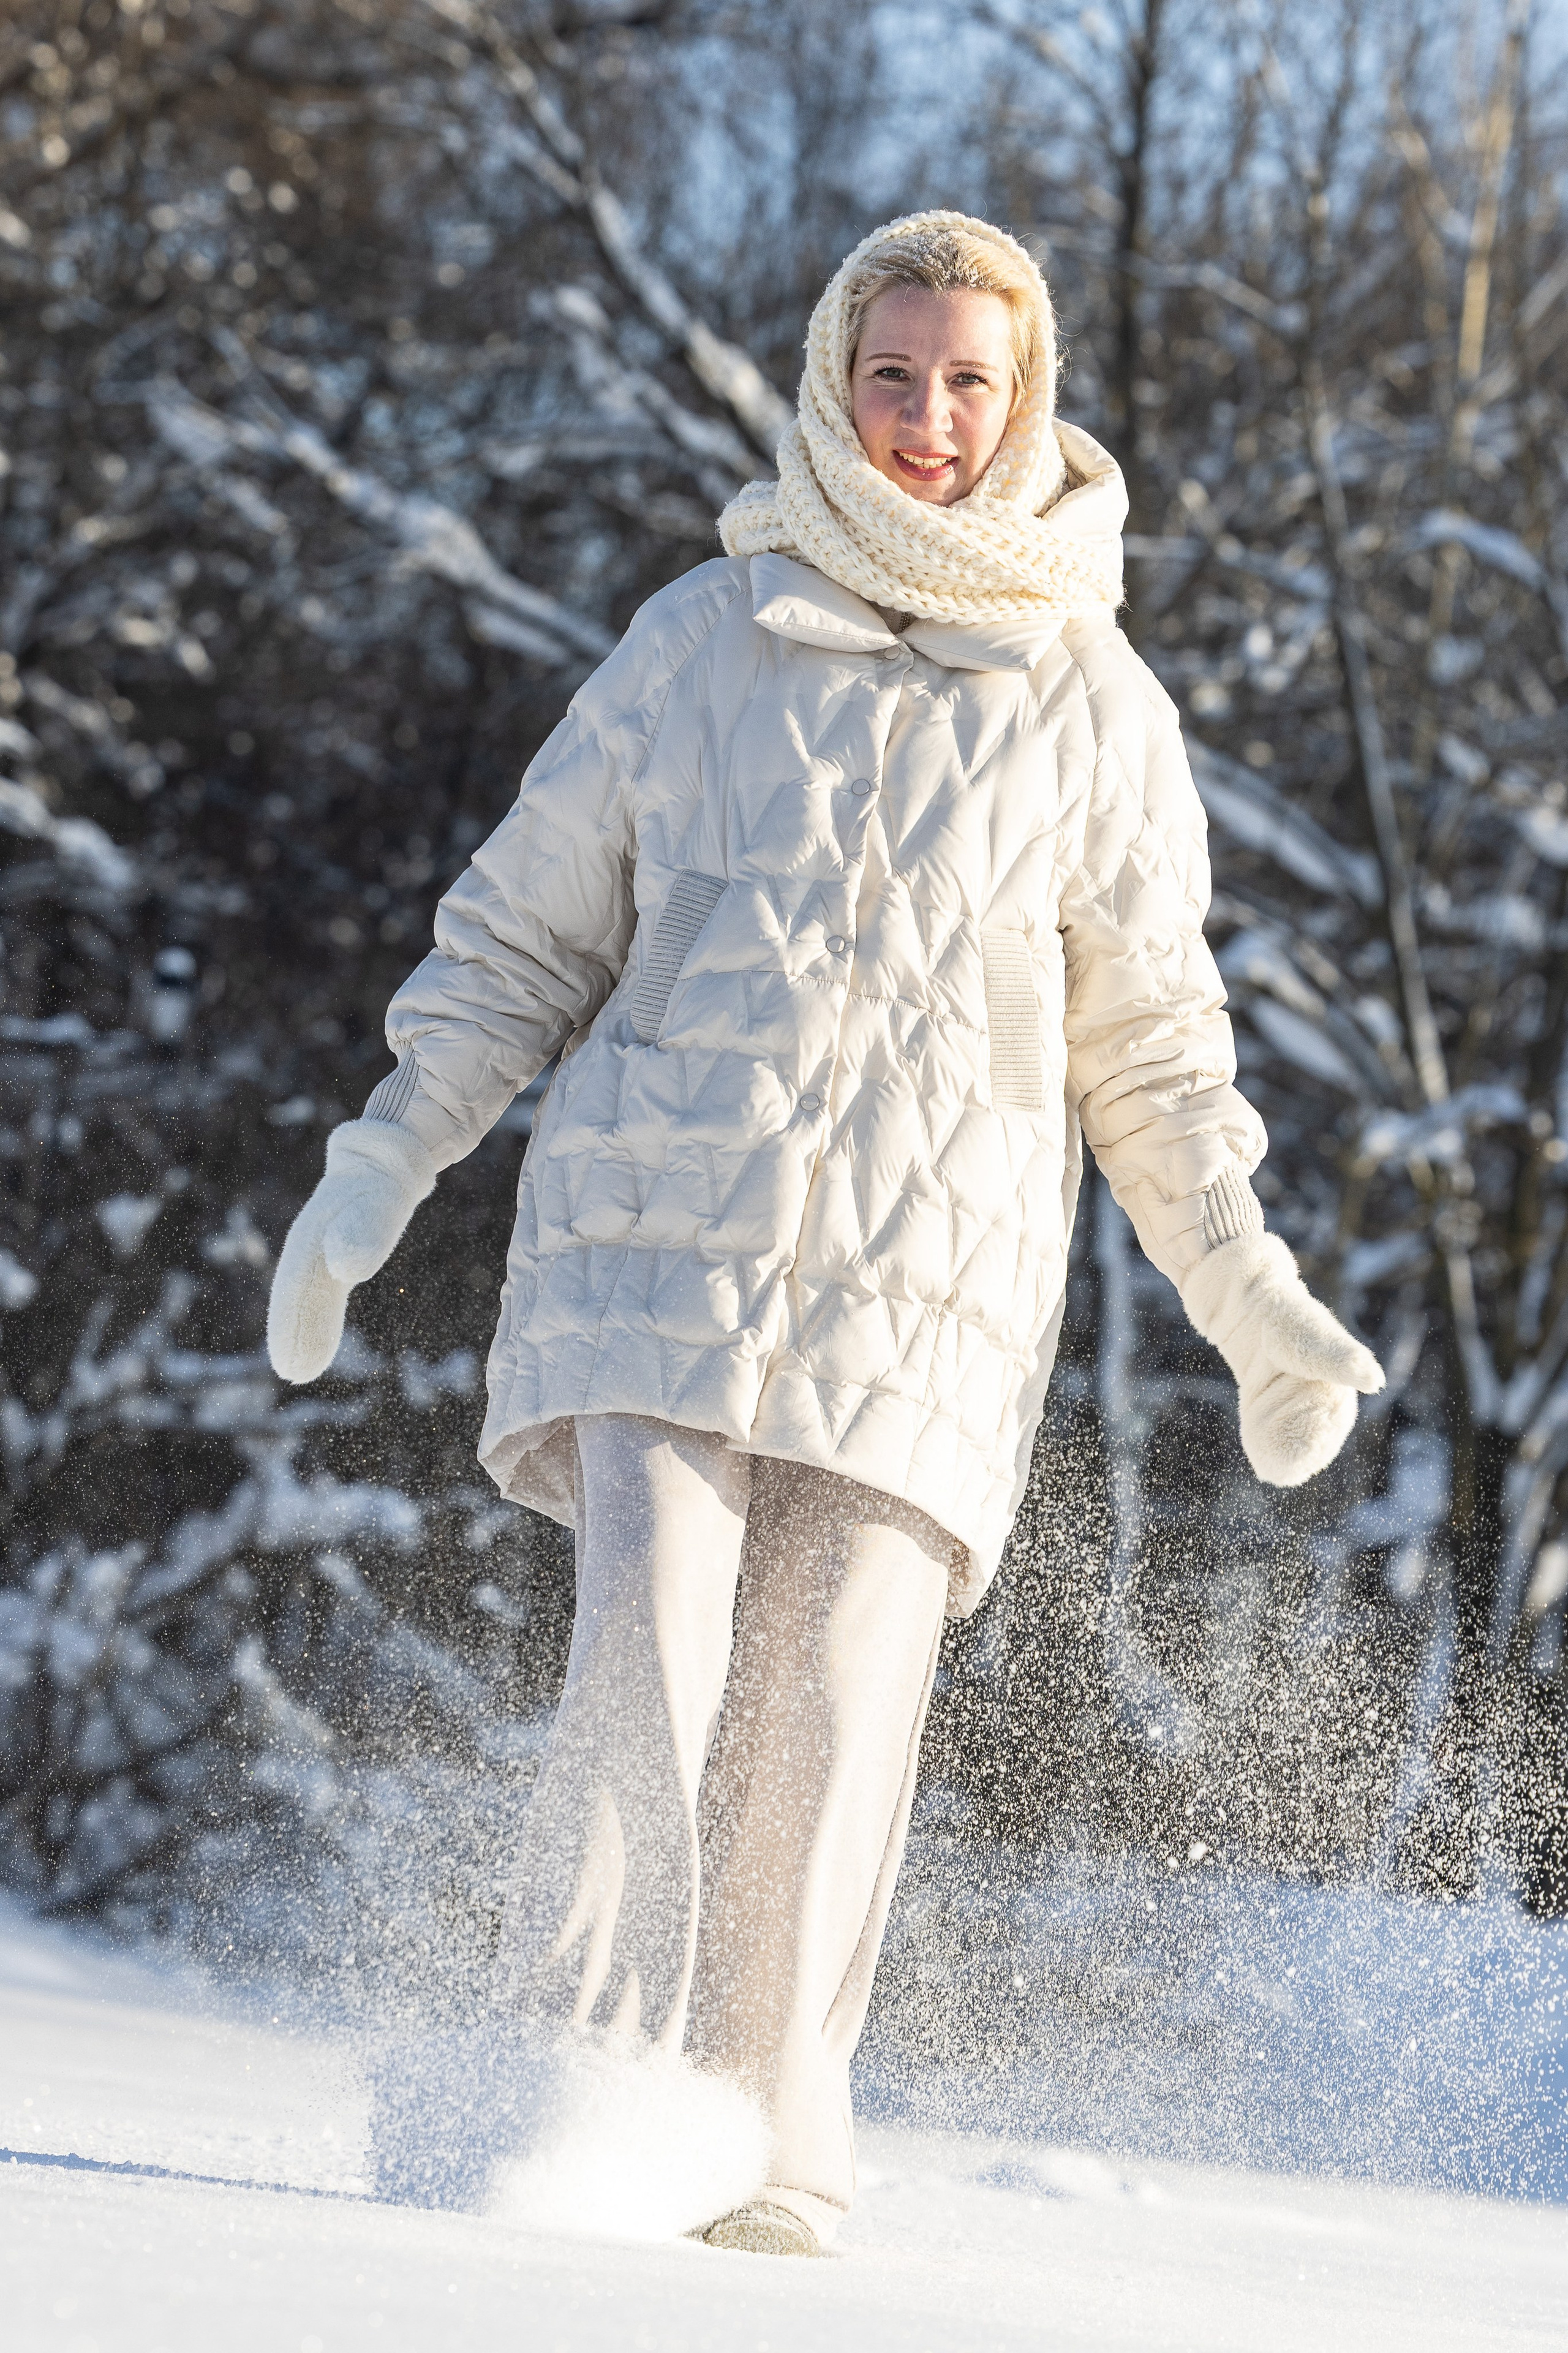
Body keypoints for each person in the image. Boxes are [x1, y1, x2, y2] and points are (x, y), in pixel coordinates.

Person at [266, 212, 1382, 2255]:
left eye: (971, 380)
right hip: (653, 1238)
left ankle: (771, 2148)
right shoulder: (699, 637)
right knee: (652, 1642)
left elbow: (1155, 1051)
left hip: (929, 1297)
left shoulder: (1096, 708)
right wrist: (380, 1163)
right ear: (830, 377)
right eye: (895, 374)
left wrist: (1254, 1298)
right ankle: (580, 2098)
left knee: (837, 1693)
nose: (931, 417)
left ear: (1025, 395)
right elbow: (518, 936)